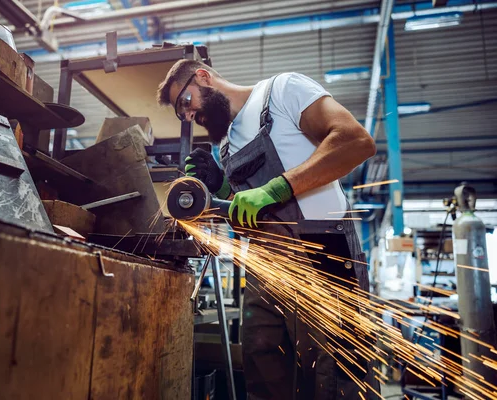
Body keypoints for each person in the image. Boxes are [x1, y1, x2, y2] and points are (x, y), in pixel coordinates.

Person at [157, 60, 379, 399]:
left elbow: (356, 141)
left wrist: (277, 188)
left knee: (333, 378)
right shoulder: (227, 146)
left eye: (185, 102)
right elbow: (249, 214)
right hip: (265, 266)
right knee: (265, 373)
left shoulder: (282, 91)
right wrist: (219, 191)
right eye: (181, 114)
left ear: (202, 76)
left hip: (321, 251)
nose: (188, 115)